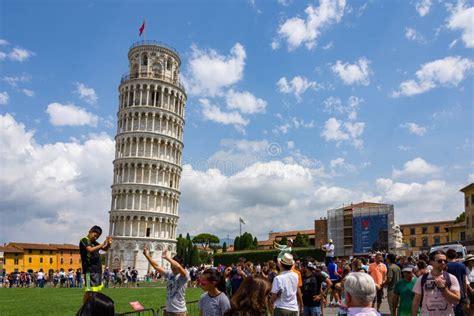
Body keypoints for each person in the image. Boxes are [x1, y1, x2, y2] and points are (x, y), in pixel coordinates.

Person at [143, 245, 189, 316]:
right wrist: (147, 255)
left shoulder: (184, 275)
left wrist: (168, 258)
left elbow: (178, 267)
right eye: (171, 265)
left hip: (179, 312)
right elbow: (156, 266)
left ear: (182, 264)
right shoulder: (170, 273)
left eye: (173, 265)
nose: (172, 267)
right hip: (168, 310)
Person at [412, 250, 461, 316]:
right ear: (431, 262)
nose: (443, 263)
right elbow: (416, 301)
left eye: (445, 261)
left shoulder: (451, 278)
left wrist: (444, 289)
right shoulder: (421, 279)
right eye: (440, 261)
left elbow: (456, 301)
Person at [79, 225, 112, 304]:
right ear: (90, 231)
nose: (96, 238)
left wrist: (108, 244)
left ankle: (91, 307)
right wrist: (102, 244)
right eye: (95, 235)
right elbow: (90, 249)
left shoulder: (93, 242)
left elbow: (104, 249)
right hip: (89, 270)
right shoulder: (84, 240)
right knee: (89, 290)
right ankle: (85, 309)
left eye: (97, 237)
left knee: (95, 291)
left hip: (97, 269)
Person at [446, 248, 468, 316]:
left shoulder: (445, 266)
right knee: (459, 312)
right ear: (456, 256)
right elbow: (464, 280)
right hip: (460, 291)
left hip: (448, 292)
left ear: (447, 256)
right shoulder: (462, 265)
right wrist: (465, 292)